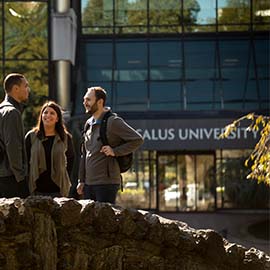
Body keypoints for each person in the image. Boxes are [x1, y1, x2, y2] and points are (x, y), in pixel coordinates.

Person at [76, 86, 143, 204]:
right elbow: (84, 154)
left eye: (88, 100)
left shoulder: (113, 122)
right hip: (88, 184)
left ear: (100, 102)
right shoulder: (88, 124)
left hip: (106, 184)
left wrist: (115, 151)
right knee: (89, 221)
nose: (85, 103)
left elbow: (137, 140)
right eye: (84, 100)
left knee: (104, 221)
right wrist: (81, 180)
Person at [25, 101, 74, 197]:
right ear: (41, 116)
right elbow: (25, 160)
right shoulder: (31, 136)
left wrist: (64, 176)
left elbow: (71, 158)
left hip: (58, 190)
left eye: (52, 113)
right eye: (45, 112)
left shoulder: (65, 137)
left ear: (57, 118)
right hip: (36, 189)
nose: (48, 115)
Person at [0, 73, 30, 198]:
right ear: (16, 89)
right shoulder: (12, 112)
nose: (28, 89)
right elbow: (12, 146)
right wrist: (21, 177)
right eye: (26, 86)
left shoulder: (2, 109)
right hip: (10, 178)